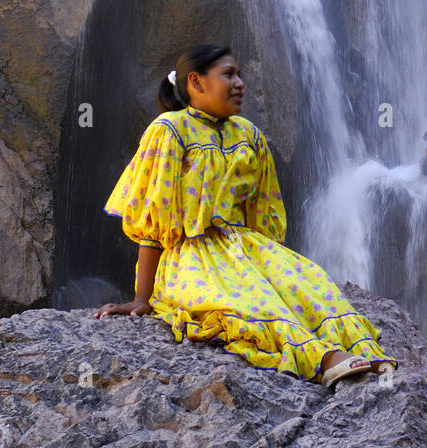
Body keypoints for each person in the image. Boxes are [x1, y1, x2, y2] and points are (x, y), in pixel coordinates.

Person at [95, 44, 398, 389]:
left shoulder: (248, 134)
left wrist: (270, 267)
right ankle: (326, 361)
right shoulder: (170, 130)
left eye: (239, 74)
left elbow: (262, 211)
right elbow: (154, 220)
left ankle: (355, 348)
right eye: (228, 74)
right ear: (196, 82)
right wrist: (141, 299)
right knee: (245, 302)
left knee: (307, 286)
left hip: (247, 247)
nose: (240, 83)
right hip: (194, 255)